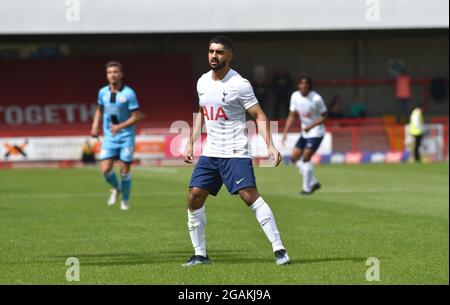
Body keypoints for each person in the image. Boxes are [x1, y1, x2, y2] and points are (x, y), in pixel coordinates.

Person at [183, 36, 290, 267]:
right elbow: (202, 112)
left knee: (249, 195)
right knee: (194, 196)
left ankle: (279, 249)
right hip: (211, 152)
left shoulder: (240, 85)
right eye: (211, 51)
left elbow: (259, 115)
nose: (214, 56)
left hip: (235, 150)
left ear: (230, 56)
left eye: (219, 52)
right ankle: (200, 254)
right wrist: (192, 141)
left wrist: (270, 145)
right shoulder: (202, 82)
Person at [90, 61, 141, 211]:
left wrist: (120, 126)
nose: (112, 74)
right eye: (110, 72)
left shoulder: (128, 93)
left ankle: (125, 200)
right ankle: (117, 188)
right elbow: (99, 109)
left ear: (121, 74)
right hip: (109, 137)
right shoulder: (102, 92)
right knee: (105, 170)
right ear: (107, 75)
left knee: (124, 170)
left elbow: (136, 116)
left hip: (126, 136)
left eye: (115, 72)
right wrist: (94, 126)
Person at [282, 76, 328, 195]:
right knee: (293, 158)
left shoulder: (316, 98)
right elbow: (292, 115)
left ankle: (306, 188)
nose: (304, 86)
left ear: (309, 86)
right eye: (301, 83)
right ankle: (314, 182)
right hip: (305, 132)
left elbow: (325, 116)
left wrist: (311, 126)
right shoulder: (295, 96)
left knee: (306, 158)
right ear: (298, 85)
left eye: (306, 84)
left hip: (317, 132)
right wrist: (285, 131)